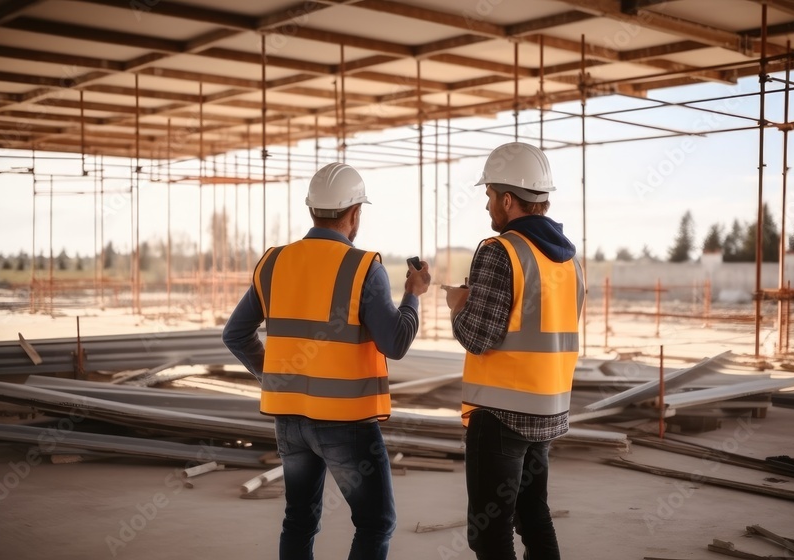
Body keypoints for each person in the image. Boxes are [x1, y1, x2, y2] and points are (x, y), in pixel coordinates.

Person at [222, 162, 431, 560]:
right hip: (344, 422)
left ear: (312, 210)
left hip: (290, 419)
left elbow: (235, 334)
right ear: (355, 214)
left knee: (299, 520)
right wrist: (414, 294)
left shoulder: (274, 263)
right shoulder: (362, 267)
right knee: (375, 523)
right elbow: (397, 342)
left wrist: (276, 377)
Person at [443, 142, 585, 560]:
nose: (488, 206)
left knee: (490, 534)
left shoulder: (500, 251)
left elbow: (478, 337)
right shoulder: (569, 261)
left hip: (500, 416)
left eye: (489, 195)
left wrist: (459, 305)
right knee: (534, 517)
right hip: (547, 411)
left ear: (508, 199)